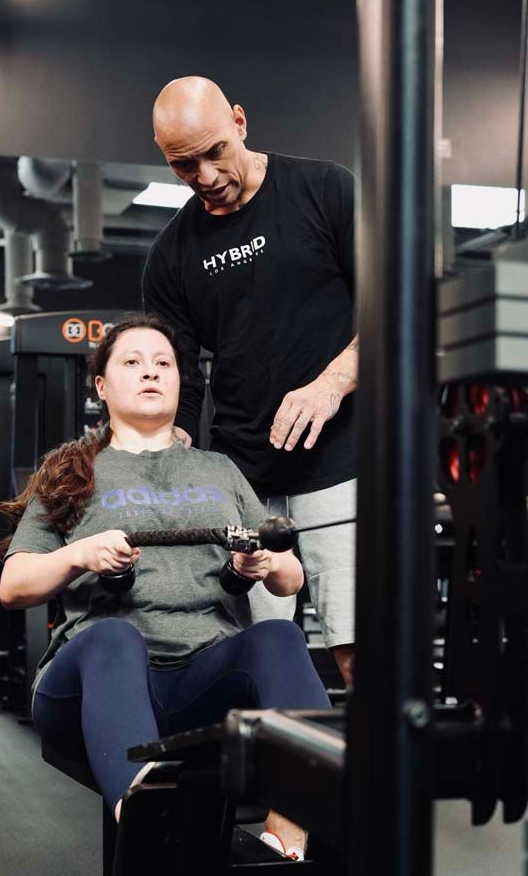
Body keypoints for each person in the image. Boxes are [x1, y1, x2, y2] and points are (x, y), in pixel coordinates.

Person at [0, 314, 329, 858]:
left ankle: (288, 837)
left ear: (179, 381)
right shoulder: (69, 469)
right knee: (113, 635)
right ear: (102, 386)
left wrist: (263, 563)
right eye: (132, 362)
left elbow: (291, 577)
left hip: (202, 678)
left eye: (163, 364)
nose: (150, 372)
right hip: (96, 684)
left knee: (280, 638)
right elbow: (14, 586)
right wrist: (80, 552)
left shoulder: (219, 469)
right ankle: (152, 833)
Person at [144, 76, 358, 685]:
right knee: (255, 653)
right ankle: (271, 781)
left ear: (239, 121)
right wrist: (168, 451)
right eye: (184, 165)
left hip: (341, 461)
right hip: (241, 477)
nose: (206, 175)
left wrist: (332, 382)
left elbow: (396, 310)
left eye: (215, 152)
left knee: (357, 642)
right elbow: (176, 375)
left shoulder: (323, 190)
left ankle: (384, 779)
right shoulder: (171, 254)